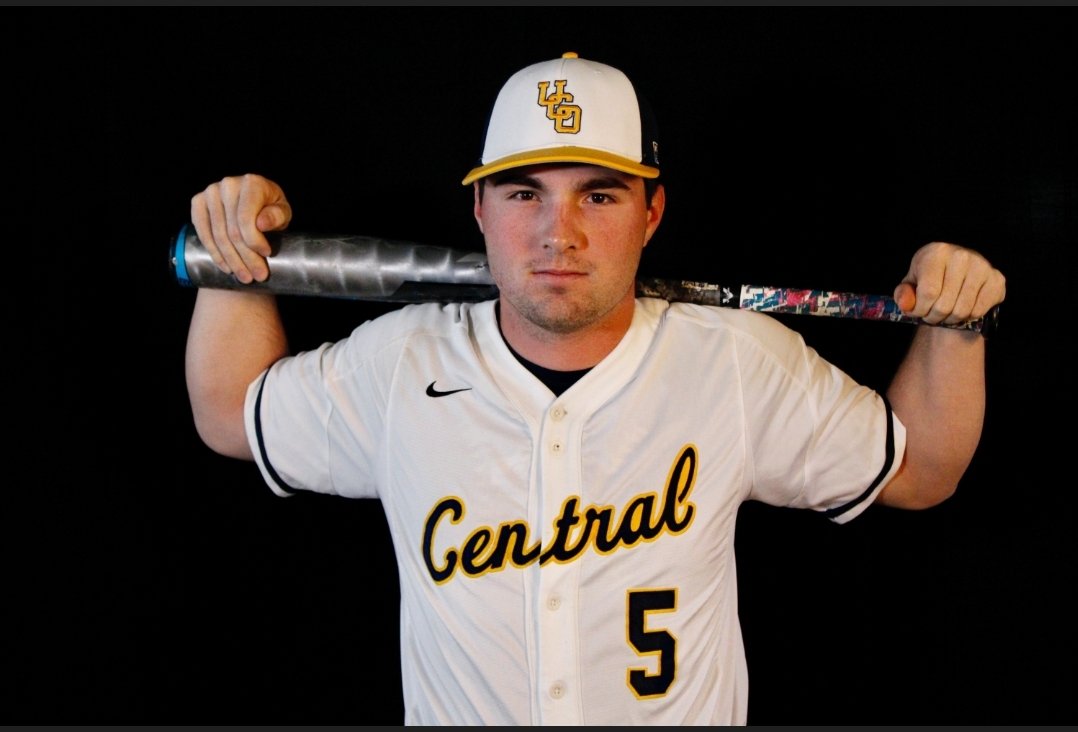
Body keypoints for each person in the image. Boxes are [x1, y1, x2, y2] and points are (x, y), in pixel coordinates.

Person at [183, 52, 1006, 725]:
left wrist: (955, 324)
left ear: (651, 213)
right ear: (479, 210)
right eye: (524, 193)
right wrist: (233, 256)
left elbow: (924, 469)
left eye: (599, 194)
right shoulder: (398, 364)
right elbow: (230, 412)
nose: (558, 232)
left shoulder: (736, 363)